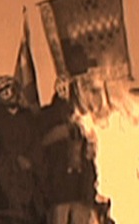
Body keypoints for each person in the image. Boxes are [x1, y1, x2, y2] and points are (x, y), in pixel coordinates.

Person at [0, 75, 44, 224]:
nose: (8, 94)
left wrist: (31, 161)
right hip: (5, 181)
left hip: (29, 182)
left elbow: (37, 145)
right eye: (3, 91)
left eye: (9, 89)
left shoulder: (29, 118)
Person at [39, 77, 97, 224]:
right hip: (59, 187)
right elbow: (41, 143)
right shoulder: (48, 115)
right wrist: (63, 131)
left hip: (82, 187)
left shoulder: (88, 115)